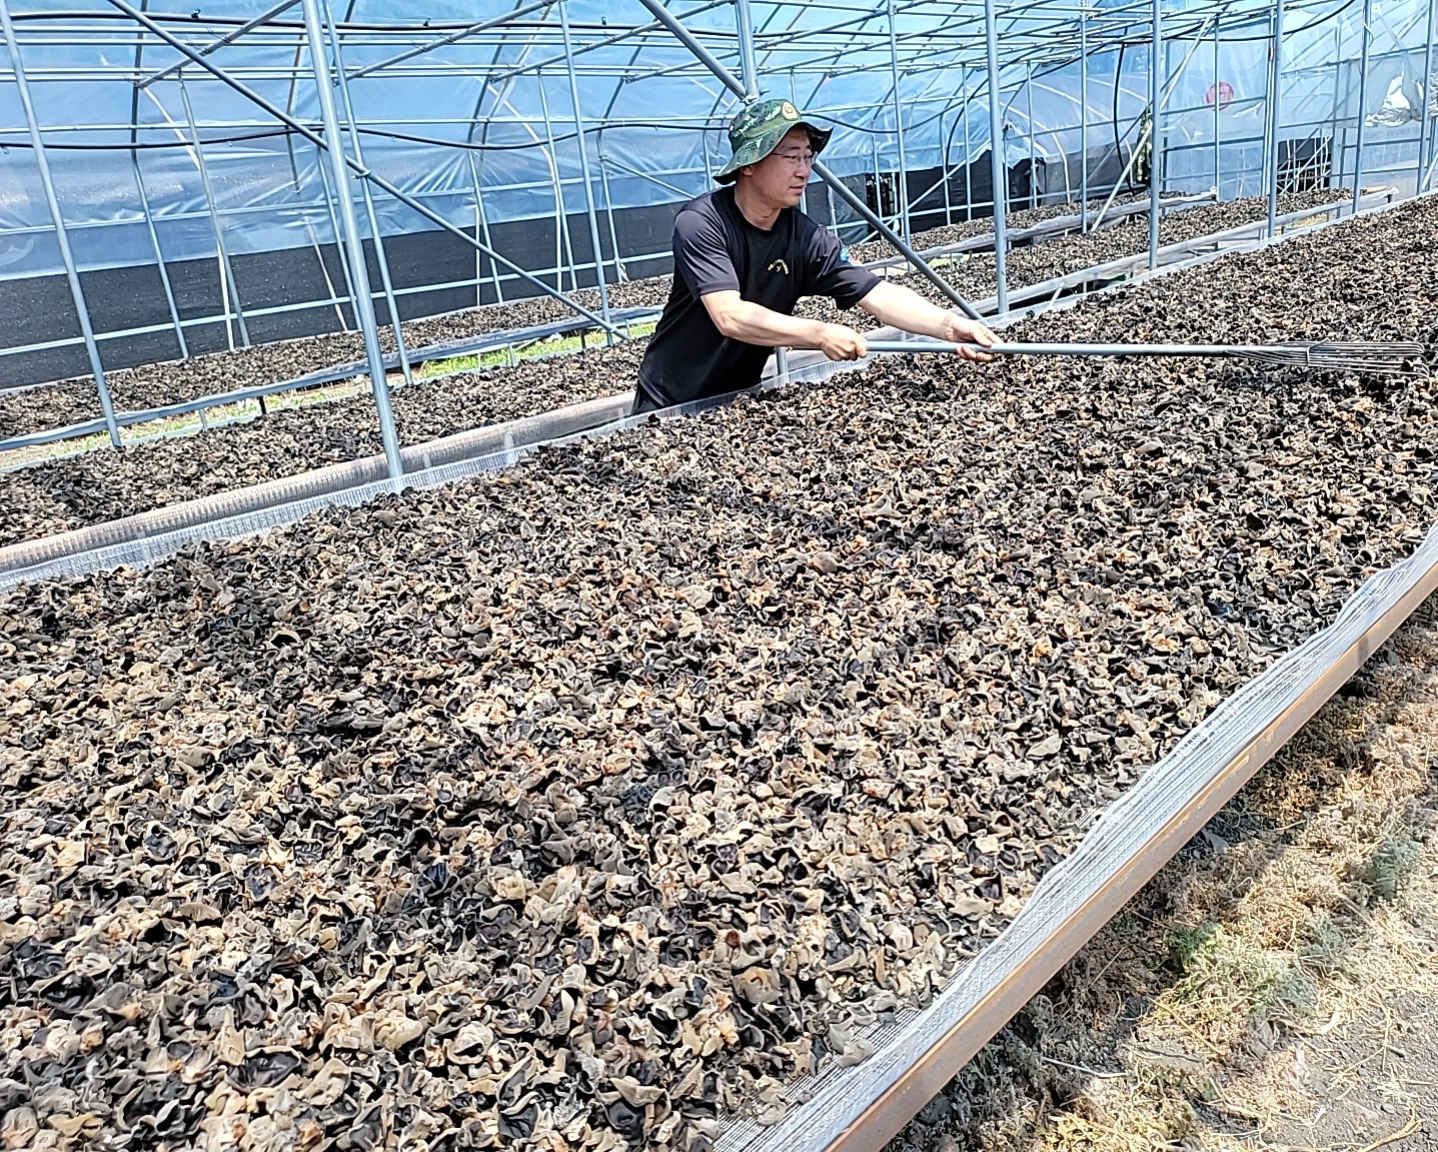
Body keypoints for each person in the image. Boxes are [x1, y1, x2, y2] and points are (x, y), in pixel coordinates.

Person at [633, 98, 997, 414]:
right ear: (749, 164)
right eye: (791, 156)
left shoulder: (804, 236)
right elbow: (730, 316)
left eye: (808, 156)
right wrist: (820, 334)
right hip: (669, 403)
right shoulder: (702, 222)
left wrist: (949, 326)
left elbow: (878, 293)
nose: (804, 171)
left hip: (739, 399)